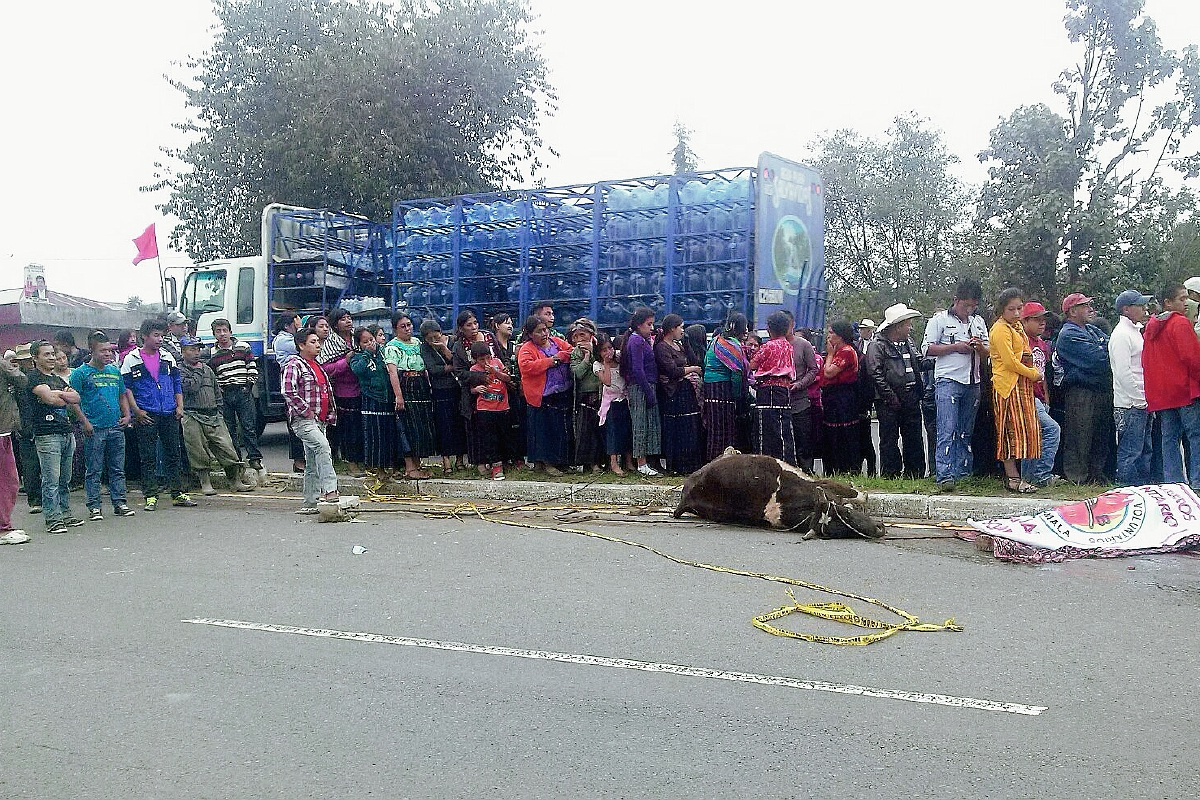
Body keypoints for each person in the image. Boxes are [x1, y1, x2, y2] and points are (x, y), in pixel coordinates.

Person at [922, 278, 990, 491]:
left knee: (965, 430)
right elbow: (927, 349)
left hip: (973, 380)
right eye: (965, 304)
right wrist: (955, 347)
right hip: (948, 380)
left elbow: (990, 352)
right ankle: (944, 475)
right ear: (956, 300)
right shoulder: (939, 320)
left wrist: (979, 347)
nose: (969, 309)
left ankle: (963, 472)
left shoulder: (978, 322)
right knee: (947, 427)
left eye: (973, 305)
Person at [121, 319, 196, 511]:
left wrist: (179, 406)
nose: (159, 339)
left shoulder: (167, 357)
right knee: (148, 457)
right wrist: (136, 411)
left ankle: (178, 493)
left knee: (174, 454)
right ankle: (151, 495)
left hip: (169, 412)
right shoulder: (131, 359)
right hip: (146, 414)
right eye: (155, 335)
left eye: (161, 335)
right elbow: (126, 388)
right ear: (144, 336)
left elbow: (176, 383)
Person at [69, 332, 136, 520]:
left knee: (117, 468)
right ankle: (94, 506)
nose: (108, 354)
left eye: (110, 350)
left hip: (115, 426)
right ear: (92, 351)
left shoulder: (114, 371)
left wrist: (127, 415)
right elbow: (74, 401)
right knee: (94, 468)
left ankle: (120, 502)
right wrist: (85, 422)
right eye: (103, 350)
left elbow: (122, 394)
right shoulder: (80, 373)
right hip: (95, 428)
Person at [1142, 283, 1200, 489]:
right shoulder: (1180, 324)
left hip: (1162, 394)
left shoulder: (1150, 328)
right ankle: (1197, 483)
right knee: (1195, 437)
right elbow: (1193, 359)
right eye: (1182, 299)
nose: (1187, 303)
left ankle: (1173, 484)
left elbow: (1146, 362)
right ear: (1168, 302)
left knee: (1169, 440)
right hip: (1185, 391)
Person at [178, 336, 252, 496]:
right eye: (192, 350)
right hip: (192, 414)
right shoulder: (180, 370)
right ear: (183, 352)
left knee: (227, 448)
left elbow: (217, 391)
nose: (196, 353)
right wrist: (197, 370)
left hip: (213, 415)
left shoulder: (208, 369)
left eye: (198, 349)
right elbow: (192, 387)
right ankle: (205, 483)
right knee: (198, 451)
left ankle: (235, 481)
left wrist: (219, 410)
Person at [1056, 292, 1114, 484]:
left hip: (1099, 390)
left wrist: (1104, 350)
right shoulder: (1068, 334)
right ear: (1072, 311)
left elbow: (1111, 348)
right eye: (1084, 305)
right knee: (1080, 434)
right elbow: (1098, 360)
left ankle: (1095, 475)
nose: (1090, 308)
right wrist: (1102, 350)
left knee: (1099, 433)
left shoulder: (1091, 330)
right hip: (1080, 391)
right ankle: (1077, 478)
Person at [26, 341, 84, 533]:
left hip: (66, 431)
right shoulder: (33, 377)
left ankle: (65, 514)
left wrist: (57, 393)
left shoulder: (57, 379)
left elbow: (76, 397)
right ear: (35, 358)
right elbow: (49, 399)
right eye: (47, 355)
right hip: (47, 434)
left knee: (64, 479)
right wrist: (60, 395)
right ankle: (53, 518)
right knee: (51, 479)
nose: (51, 358)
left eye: (53, 354)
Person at [988, 289, 1042, 493]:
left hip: (1022, 386)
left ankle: (1027, 476)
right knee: (1010, 432)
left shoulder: (1017, 327)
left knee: (1028, 431)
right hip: (1008, 387)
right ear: (1002, 309)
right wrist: (1032, 373)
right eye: (1012, 309)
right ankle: (1013, 478)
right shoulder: (1000, 329)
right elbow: (1010, 362)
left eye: (1020, 308)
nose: (1017, 313)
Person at [865, 303, 925, 479]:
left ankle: (915, 472)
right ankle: (890, 473)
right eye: (907, 324)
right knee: (889, 438)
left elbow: (919, 362)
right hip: (888, 400)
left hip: (911, 395)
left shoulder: (909, 343)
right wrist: (890, 396)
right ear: (898, 326)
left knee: (913, 436)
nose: (910, 327)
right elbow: (875, 373)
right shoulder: (878, 345)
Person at [282, 328, 339, 513]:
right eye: (313, 342)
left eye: (318, 342)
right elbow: (288, 391)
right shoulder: (294, 364)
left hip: (320, 420)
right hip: (304, 421)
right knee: (323, 447)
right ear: (301, 345)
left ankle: (310, 502)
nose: (318, 345)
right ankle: (330, 489)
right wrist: (305, 411)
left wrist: (328, 415)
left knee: (312, 462)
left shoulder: (317, 365)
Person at [207, 318, 266, 482]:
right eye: (218, 331)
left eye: (225, 330)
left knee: (248, 426)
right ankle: (237, 460)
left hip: (243, 390)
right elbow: (213, 375)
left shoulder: (243, 346)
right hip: (225, 393)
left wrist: (248, 385)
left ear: (230, 331)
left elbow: (252, 366)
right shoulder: (212, 353)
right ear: (214, 334)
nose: (222, 334)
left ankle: (254, 458)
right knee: (230, 429)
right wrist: (219, 389)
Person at [517, 315, 574, 475]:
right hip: (542, 396)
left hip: (561, 393)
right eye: (539, 331)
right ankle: (547, 463)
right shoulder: (526, 349)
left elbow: (570, 350)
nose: (544, 334)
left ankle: (562, 462)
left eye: (545, 329)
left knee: (561, 430)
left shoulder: (556, 342)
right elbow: (527, 367)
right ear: (530, 334)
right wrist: (552, 360)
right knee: (545, 431)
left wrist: (562, 356)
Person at [1109, 290, 1153, 486]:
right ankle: (1126, 488)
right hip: (1130, 404)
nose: (1144, 309)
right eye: (1139, 305)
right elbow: (1123, 372)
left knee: (1144, 450)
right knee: (1130, 451)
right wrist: (1139, 400)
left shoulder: (1134, 332)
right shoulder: (1121, 335)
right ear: (1126, 309)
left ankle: (1140, 488)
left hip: (1141, 402)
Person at [382, 313, 435, 480]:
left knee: (421, 425)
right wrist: (399, 396)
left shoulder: (418, 343)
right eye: (403, 326)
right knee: (407, 425)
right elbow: (392, 372)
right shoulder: (392, 346)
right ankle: (410, 467)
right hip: (406, 384)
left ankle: (417, 464)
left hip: (421, 385)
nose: (407, 328)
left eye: (409, 324)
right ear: (395, 329)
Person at [1018, 302, 1062, 488]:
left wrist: (1046, 397)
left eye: (1043, 319)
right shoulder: (1020, 341)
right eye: (1036, 319)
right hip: (1026, 395)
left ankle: (1029, 477)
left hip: (1040, 396)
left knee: (1034, 438)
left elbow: (1043, 373)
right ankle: (1042, 475)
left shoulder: (1043, 344)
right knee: (1052, 430)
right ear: (1025, 321)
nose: (1042, 323)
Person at [316, 309, 364, 477]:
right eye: (343, 319)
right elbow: (326, 368)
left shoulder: (357, 338)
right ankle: (351, 464)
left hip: (362, 387)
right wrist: (346, 361)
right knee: (349, 429)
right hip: (343, 391)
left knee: (361, 428)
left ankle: (362, 460)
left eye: (349, 318)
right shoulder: (331, 343)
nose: (348, 321)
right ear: (335, 324)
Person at [655, 314, 704, 475]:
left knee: (690, 426)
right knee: (678, 429)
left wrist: (687, 343)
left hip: (686, 390)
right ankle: (677, 465)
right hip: (673, 392)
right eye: (680, 327)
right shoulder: (662, 347)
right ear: (672, 329)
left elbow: (693, 359)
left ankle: (691, 463)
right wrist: (692, 370)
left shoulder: (679, 345)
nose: (682, 330)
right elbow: (672, 370)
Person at [350, 327, 400, 483]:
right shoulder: (357, 357)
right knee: (374, 436)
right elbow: (358, 371)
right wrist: (367, 354)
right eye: (365, 342)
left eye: (371, 339)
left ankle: (391, 467)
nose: (370, 343)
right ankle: (378, 469)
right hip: (371, 399)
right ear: (359, 344)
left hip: (387, 398)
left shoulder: (384, 353)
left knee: (389, 434)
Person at [750, 310, 797, 465]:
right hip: (785, 390)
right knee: (784, 428)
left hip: (768, 389)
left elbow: (752, 364)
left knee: (766, 429)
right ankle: (787, 463)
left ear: (770, 328)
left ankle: (766, 465)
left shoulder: (768, 346)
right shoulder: (789, 346)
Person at [701, 313, 749, 464]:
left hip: (710, 389)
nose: (747, 330)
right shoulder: (732, 344)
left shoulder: (715, 340)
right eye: (746, 327)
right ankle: (722, 465)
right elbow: (736, 374)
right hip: (722, 390)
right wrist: (736, 394)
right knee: (725, 429)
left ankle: (711, 463)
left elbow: (705, 362)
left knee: (714, 429)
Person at [619, 307, 662, 476]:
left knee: (649, 423)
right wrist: (648, 392)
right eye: (648, 324)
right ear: (638, 325)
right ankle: (641, 462)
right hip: (640, 387)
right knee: (640, 424)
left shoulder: (642, 340)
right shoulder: (636, 341)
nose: (651, 328)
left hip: (646, 385)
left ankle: (646, 461)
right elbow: (637, 369)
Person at [419, 319, 463, 475]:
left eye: (436, 337)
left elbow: (458, 361)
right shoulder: (425, 348)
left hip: (456, 389)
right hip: (439, 390)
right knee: (443, 426)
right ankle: (446, 461)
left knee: (459, 424)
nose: (433, 341)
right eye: (429, 339)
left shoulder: (453, 341)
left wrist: (444, 349)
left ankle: (460, 460)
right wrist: (450, 368)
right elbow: (433, 369)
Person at [821, 319, 862, 475]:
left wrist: (830, 355)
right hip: (833, 397)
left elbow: (829, 372)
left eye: (831, 333)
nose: (828, 337)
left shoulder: (846, 351)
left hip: (843, 397)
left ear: (840, 336)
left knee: (844, 434)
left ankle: (846, 468)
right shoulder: (840, 350)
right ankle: (834, 468)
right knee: (833, 434)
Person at [467, 340, 513, 481]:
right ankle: (496, 466)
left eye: (488, 358)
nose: (486, 361)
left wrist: (495, 372)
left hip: (502, 406)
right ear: (475, 359)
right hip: (485, 408)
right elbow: (471, 389)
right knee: (490, 438)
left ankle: (507, 460)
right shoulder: (474, 370)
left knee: (504, 435)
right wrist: (476, 389)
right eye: (482, 359)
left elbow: (507, 378)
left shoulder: (497, 363)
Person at [0, 348, 29, 542]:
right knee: (7, 481)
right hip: (1, 430)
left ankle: (4, 525)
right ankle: (3, 528)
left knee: (9, 481)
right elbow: (22, 380)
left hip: (4, 429)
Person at [490, 313, 525, 468]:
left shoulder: (514, 347)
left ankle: (517, 457)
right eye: (506, 323)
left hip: (514, 390)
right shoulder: (492, 347)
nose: (510, 326)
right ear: (497, 326)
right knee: (500, 426)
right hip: (497, 391)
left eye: (511, 323)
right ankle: (503, 459)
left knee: (516, 424)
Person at [594, 334, 633, 475]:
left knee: (627, 430)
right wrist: (607, 364)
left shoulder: (619, 357)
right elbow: (607, 381)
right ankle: (614, 463)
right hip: (610, 403)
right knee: (613, 432)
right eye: (604, 350)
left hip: (624, 399)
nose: (608, 352)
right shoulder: (598, 365)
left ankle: (628, 462)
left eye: (609, 348)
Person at [11, 344, 42, 514]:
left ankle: (37, 499)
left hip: (32, 423)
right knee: (31, 463)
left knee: (35, 463)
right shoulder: (21, 380)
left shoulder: (21, 379)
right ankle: (35, 499)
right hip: (26, 424)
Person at [569, 319, 604, 472]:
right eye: (575, 336)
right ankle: (588, 463)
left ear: (591, 335)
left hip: (602, 395)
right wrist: (586, 358)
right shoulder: (575, 353)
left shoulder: (600, 348)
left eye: (582, 335)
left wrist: (594, 353)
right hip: (585, 397)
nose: (579, 339)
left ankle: (601, 461)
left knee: (600, 431)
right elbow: (578, 373)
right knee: (586, 432)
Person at [273, 312, 305, 473]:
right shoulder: (283, 340)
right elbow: (302, 345)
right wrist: (302, 329)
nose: (299, 322)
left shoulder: (289, 337)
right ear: (288, 325)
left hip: (302, 382)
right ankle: (298, 461)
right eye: (296, 320)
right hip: (292, 382)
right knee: (295, 422)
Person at [789, 323, 820, 474]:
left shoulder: (803, 345)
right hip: (779, 401)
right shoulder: (772, 345)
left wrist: (800, 384)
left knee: (803, 443)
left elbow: (813, 369)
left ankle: (807, 473)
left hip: (800, 401)